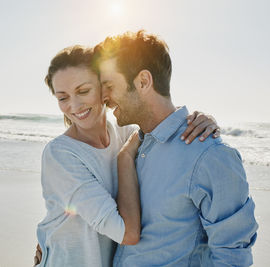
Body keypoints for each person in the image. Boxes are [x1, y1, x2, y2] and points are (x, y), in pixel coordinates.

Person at [34, 45, 220, 267]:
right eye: (62, 97)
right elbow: (127, 234)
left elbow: (159, 119)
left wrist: (199, 120)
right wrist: (123, 159)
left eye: (83, 91)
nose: (74, 106)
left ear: (104, 89)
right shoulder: (61, 155)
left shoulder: (125, 134)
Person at [93, 30, 258, 266]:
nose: (103, 97)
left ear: (143, 81)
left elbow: (232, 257)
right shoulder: (127, 146)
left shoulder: (209, 155)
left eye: (108, 85)